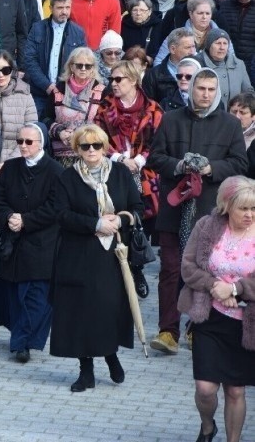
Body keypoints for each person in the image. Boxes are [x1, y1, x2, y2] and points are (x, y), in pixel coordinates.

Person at [147, 67, 248, 355]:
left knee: (204, 271)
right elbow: (155, 157)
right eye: (200, 88)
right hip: (173, 208)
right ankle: (168, 331)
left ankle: (197, 328)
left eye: (210, 90)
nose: (205, 94)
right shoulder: (170, 119)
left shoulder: (229, 124)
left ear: (217, 93)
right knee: (169, 270)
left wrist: (210, 168)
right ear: (191, 89)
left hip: (209, 211)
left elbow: (239, 163)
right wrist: (179, 166)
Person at [49, 124, 142, 392]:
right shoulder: (67, 178)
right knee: (80, 312)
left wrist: (120, 219)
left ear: (104, 147)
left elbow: (137, 207)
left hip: (113, 255)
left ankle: (111, 355)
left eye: (97, 145)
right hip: (78, 254)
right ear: (77, 149)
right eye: (85, 146)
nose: (91, 151)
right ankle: (85, 370)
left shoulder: (121, 173)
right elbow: (61, 214)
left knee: (108, 308)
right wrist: (94, 223)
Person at [178, 176, 255, 442]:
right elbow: (187, 267)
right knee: (205, 388)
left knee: (235, 390)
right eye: (243, 208)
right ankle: (208, 425)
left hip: (246, 324)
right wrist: (215, 286)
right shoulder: (207, 226)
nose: (249, 214)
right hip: (209, 318)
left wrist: (236, 290)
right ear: (226, 205)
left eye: (254, 208)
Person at [0, 123, 62, 362]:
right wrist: (9, 216)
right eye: (19, 141)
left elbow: (55, 207)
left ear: (40, 143)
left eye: (28, 142)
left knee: (35, 296)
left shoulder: (55, 171)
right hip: (13, 242)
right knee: (12, 295)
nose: (22, 146)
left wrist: (26, 220)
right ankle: (20, 336)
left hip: (41, 242)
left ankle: (23, 343)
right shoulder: (10, 168)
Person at [94, 59, 163, 296]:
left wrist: (140, 160)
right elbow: (97, 139)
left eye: (118, 79)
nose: (113, 83)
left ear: (133, 80)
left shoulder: (152, 108)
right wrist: (120, 159)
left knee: (139, 221)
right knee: (115, 217)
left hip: (145, 171)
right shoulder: (105, 107)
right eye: (111, 79)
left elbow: (159, 141)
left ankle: (138, 267)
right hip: (112, 169)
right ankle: (115, 269)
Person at [21, 0, 88, 120]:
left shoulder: (78, 32)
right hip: (39, 92)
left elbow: (82, 64)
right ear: (51, 8)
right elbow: (29, 60)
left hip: (66, 94)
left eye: (67, 7)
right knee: (37, 129)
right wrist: (47, 85)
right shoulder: (37, 28)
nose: (64, 11)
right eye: (60, 8)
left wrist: (64, 88)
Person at [49, 48, 106, 167]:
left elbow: (104, 122)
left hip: (89, 151)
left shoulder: (103, 91)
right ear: (71, 67)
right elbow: (46, 118)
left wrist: (78, 133)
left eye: (88, 66)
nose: (84, 69)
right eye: (79, 65)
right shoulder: (57, 90)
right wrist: (60, 132)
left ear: (93, 69)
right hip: (60, 151)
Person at [194, 28, 252, 110]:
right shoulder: (197, 64)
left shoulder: (239, 64)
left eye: (225, 43)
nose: (222, 47)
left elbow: (248, 93)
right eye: (218, 43)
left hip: (235, 117)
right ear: (209, 45)